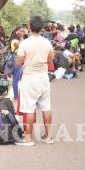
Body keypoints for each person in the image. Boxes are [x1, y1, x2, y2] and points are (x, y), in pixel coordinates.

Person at [15, 16, 54, 146]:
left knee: (29, 108)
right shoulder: (47, 42)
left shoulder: (25, 43)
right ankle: (48, 137)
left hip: (29, 78)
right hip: (43, 78)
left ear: (29, 27)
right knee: (46, 107)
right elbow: (50, 60)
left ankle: (28, 138)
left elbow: (18, 62)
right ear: (41, 28)